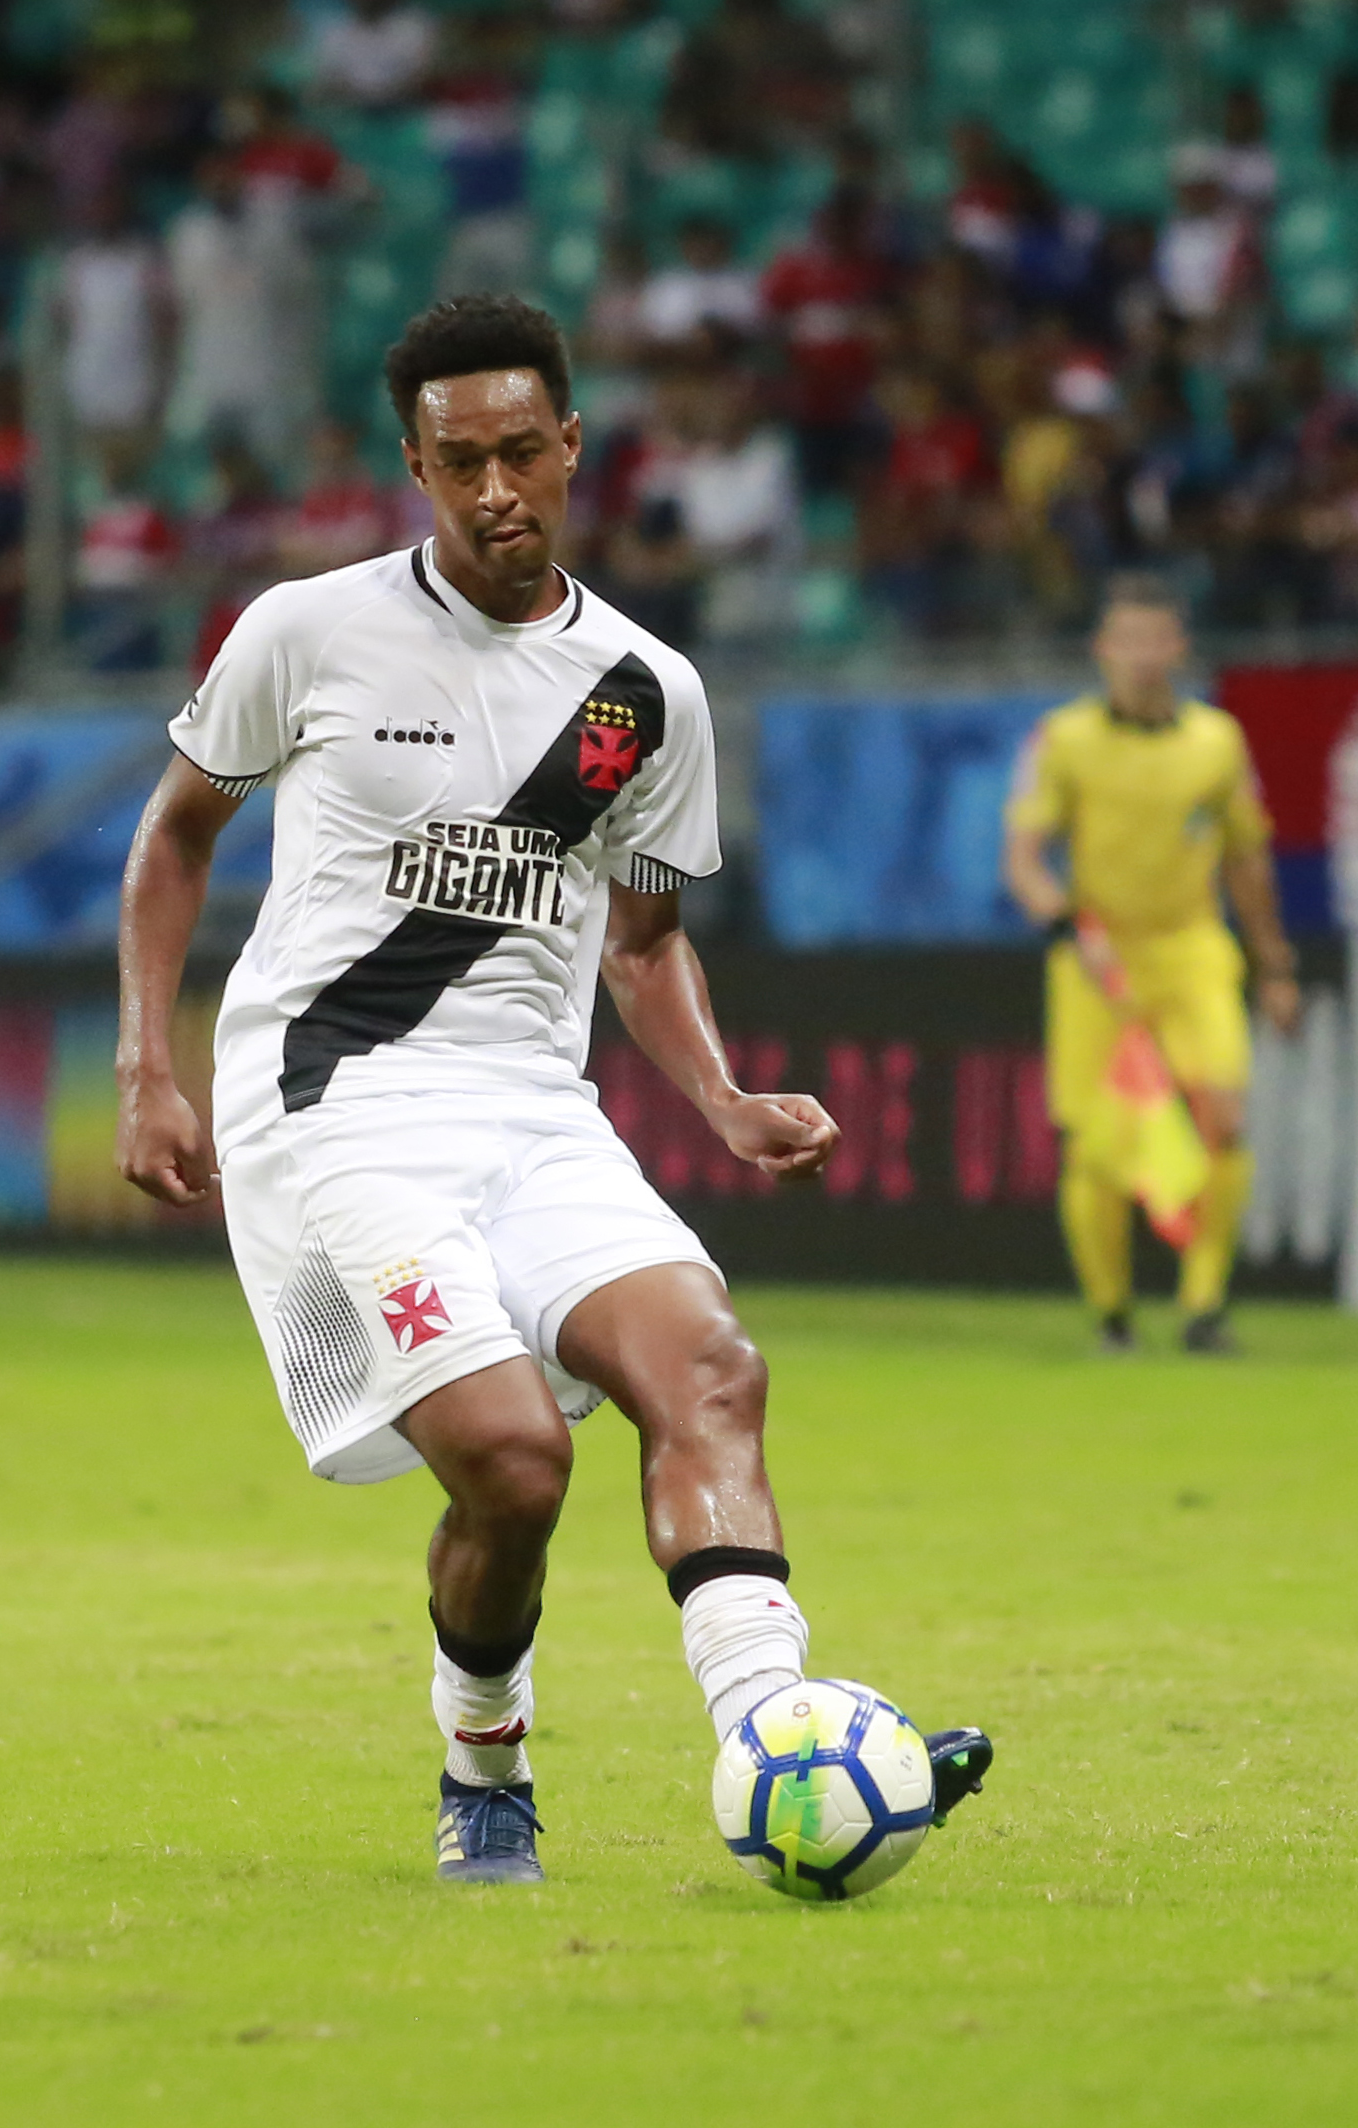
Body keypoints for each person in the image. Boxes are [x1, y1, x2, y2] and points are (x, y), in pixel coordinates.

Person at [110, 294, 993, 1888]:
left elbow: (643, 946)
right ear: (417, 469)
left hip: (530, 1109)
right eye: (461, 463)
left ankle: (778, 1734)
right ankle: (485, 1760)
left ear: (574, 445)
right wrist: (144, 1067)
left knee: (711, 1369)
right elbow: (177, 835)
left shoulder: (642, 695)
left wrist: (723, 1097)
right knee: (516, 1465)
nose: (496, 488)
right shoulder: (307, 631)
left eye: (522, 450)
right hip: (335, 1101)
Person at [999, 580, 1303, 1355]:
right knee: (1097, 1148)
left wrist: (1274, 965)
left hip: (1192, 947)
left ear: (1179, 648)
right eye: (1126, 641)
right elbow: (1024, 860)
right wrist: (1068, 924)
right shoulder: (1062, 740)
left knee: (1224, 1118)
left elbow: (1247, 859)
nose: (1140, 657)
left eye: (1155, 640)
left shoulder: (1217, 742)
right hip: (1098, 959)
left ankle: (1203, 1306)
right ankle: (1113, 1315)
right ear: (1102, 650)